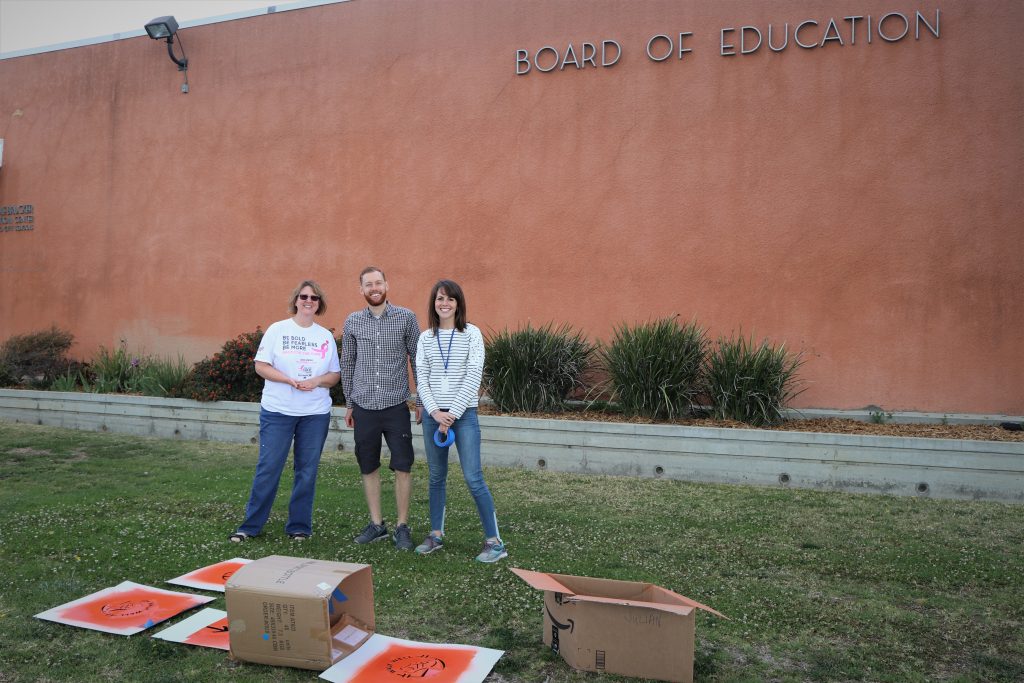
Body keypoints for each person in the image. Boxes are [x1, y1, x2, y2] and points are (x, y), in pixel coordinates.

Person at [229, 280, 341, 542]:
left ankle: (299, 527)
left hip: (314, 413)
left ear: (319, 303)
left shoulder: (324, 336)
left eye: (314, 297)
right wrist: (287, 380)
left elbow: (334, 375)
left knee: (306, 470)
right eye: (304, 296)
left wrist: (316, 381)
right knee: (269, 467)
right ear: (296, 300)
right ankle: (250, 526)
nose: (308, 301)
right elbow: (261, 366)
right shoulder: (277, 330)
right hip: (278, 411)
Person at [414, 279, 506, 563]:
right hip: (434, 417)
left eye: (450, 299)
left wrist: (451, 414)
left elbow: (473, 376)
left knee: (473, 477)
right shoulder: (425, 338)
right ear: (433, 303)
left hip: (463, 416)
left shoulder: (472, 334)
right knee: (436, 478)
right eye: (440, 299)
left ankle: (495, 542)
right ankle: (436, 535)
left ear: (458, 304)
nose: (444, 304)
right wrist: (434, 413)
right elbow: (422, 378)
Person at [341, 266, 421, 550]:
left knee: (403, 466)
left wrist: (420, 400)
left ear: (387, 285)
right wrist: (349, 403)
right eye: (368, 284)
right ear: (361, 289)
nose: (374, 288)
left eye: (378, 283)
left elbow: (418, 360)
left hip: (395, 405)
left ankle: (402, 526)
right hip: (363, 406)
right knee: (368, 465)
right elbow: (347, 364)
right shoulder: (352, 322)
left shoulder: (407, 318)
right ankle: (377, 524)